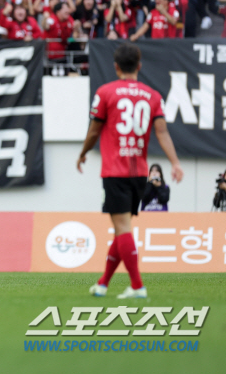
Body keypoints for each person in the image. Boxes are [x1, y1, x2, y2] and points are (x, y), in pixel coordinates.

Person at [78, 43, 183, 299]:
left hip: (115, 170)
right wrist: (175, 162)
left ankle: (137, 287)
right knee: (121, 227)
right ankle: (103, 284)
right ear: (139, 66)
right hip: (139, 172)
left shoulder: (105, 92)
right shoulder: (153, 95)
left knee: (122, 228)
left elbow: (94, 130)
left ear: (115, 67)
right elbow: (162, 132)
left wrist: (83, 153)